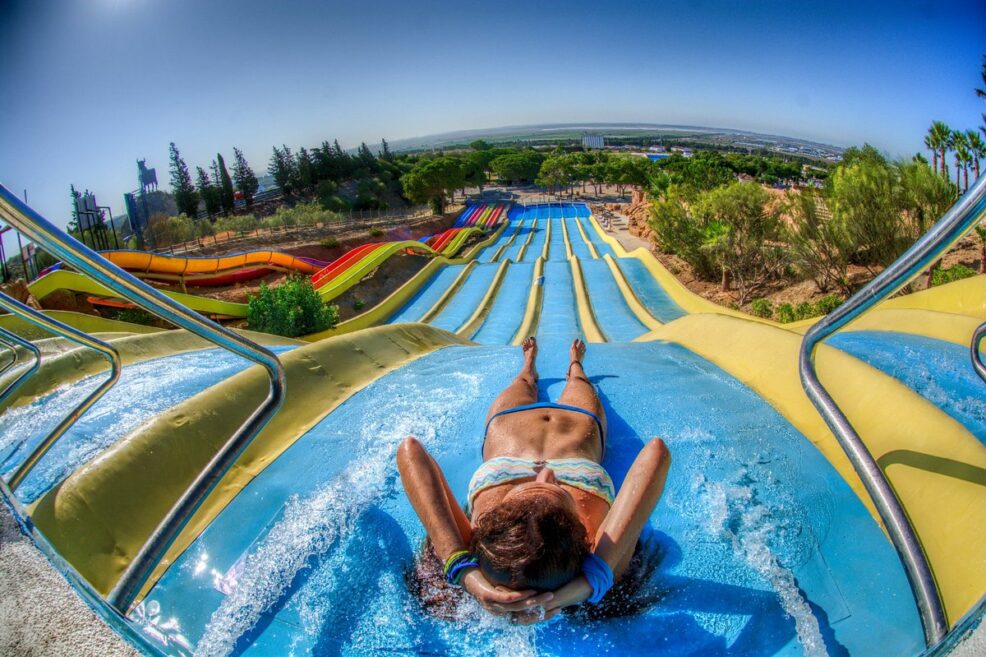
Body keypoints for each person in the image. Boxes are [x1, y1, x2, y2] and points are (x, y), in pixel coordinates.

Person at [398, 337, 671, 624]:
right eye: (558, 488)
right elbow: (656, 453)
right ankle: (575, 363)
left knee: (524, 380)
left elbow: (410, 451)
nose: (546, 472)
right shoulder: (595, 552)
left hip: (509, 419)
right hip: (578, 419)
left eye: (524, 491)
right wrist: (593, 580)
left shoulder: (485, 544)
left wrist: (463, 572)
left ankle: (530, 363)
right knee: (579, 381)